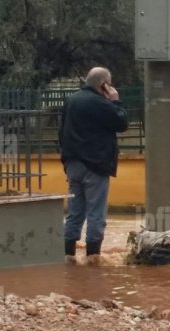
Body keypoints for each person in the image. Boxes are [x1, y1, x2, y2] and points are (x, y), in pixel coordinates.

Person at [59, 67, 129, 264]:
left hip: (73, 164)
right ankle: (93, 258)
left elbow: (61, 131)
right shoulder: (99, 102)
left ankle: (68, 255)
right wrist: (115, 100)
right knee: (96, 213)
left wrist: (66, 161)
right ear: (104, 85)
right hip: (95, 165)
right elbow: (122, 122)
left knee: (75, 211)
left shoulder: (71, 100)